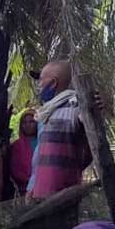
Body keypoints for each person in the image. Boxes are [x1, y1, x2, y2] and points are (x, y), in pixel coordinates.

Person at [29, 60, 92, 199]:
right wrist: (33, 185)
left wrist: (92, 108)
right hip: (40, 191)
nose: (38, 85)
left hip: (62, 195)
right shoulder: (47, 111)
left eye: (41, 81)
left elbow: (90, 148)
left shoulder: (75, 107)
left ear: (53, 83)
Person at [9, 107, 39, 193]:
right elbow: (15, 169)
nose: (28, 125)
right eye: (24, 122)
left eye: (31, 122)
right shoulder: (16, 146)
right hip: (24, 189)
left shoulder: (44, 142)